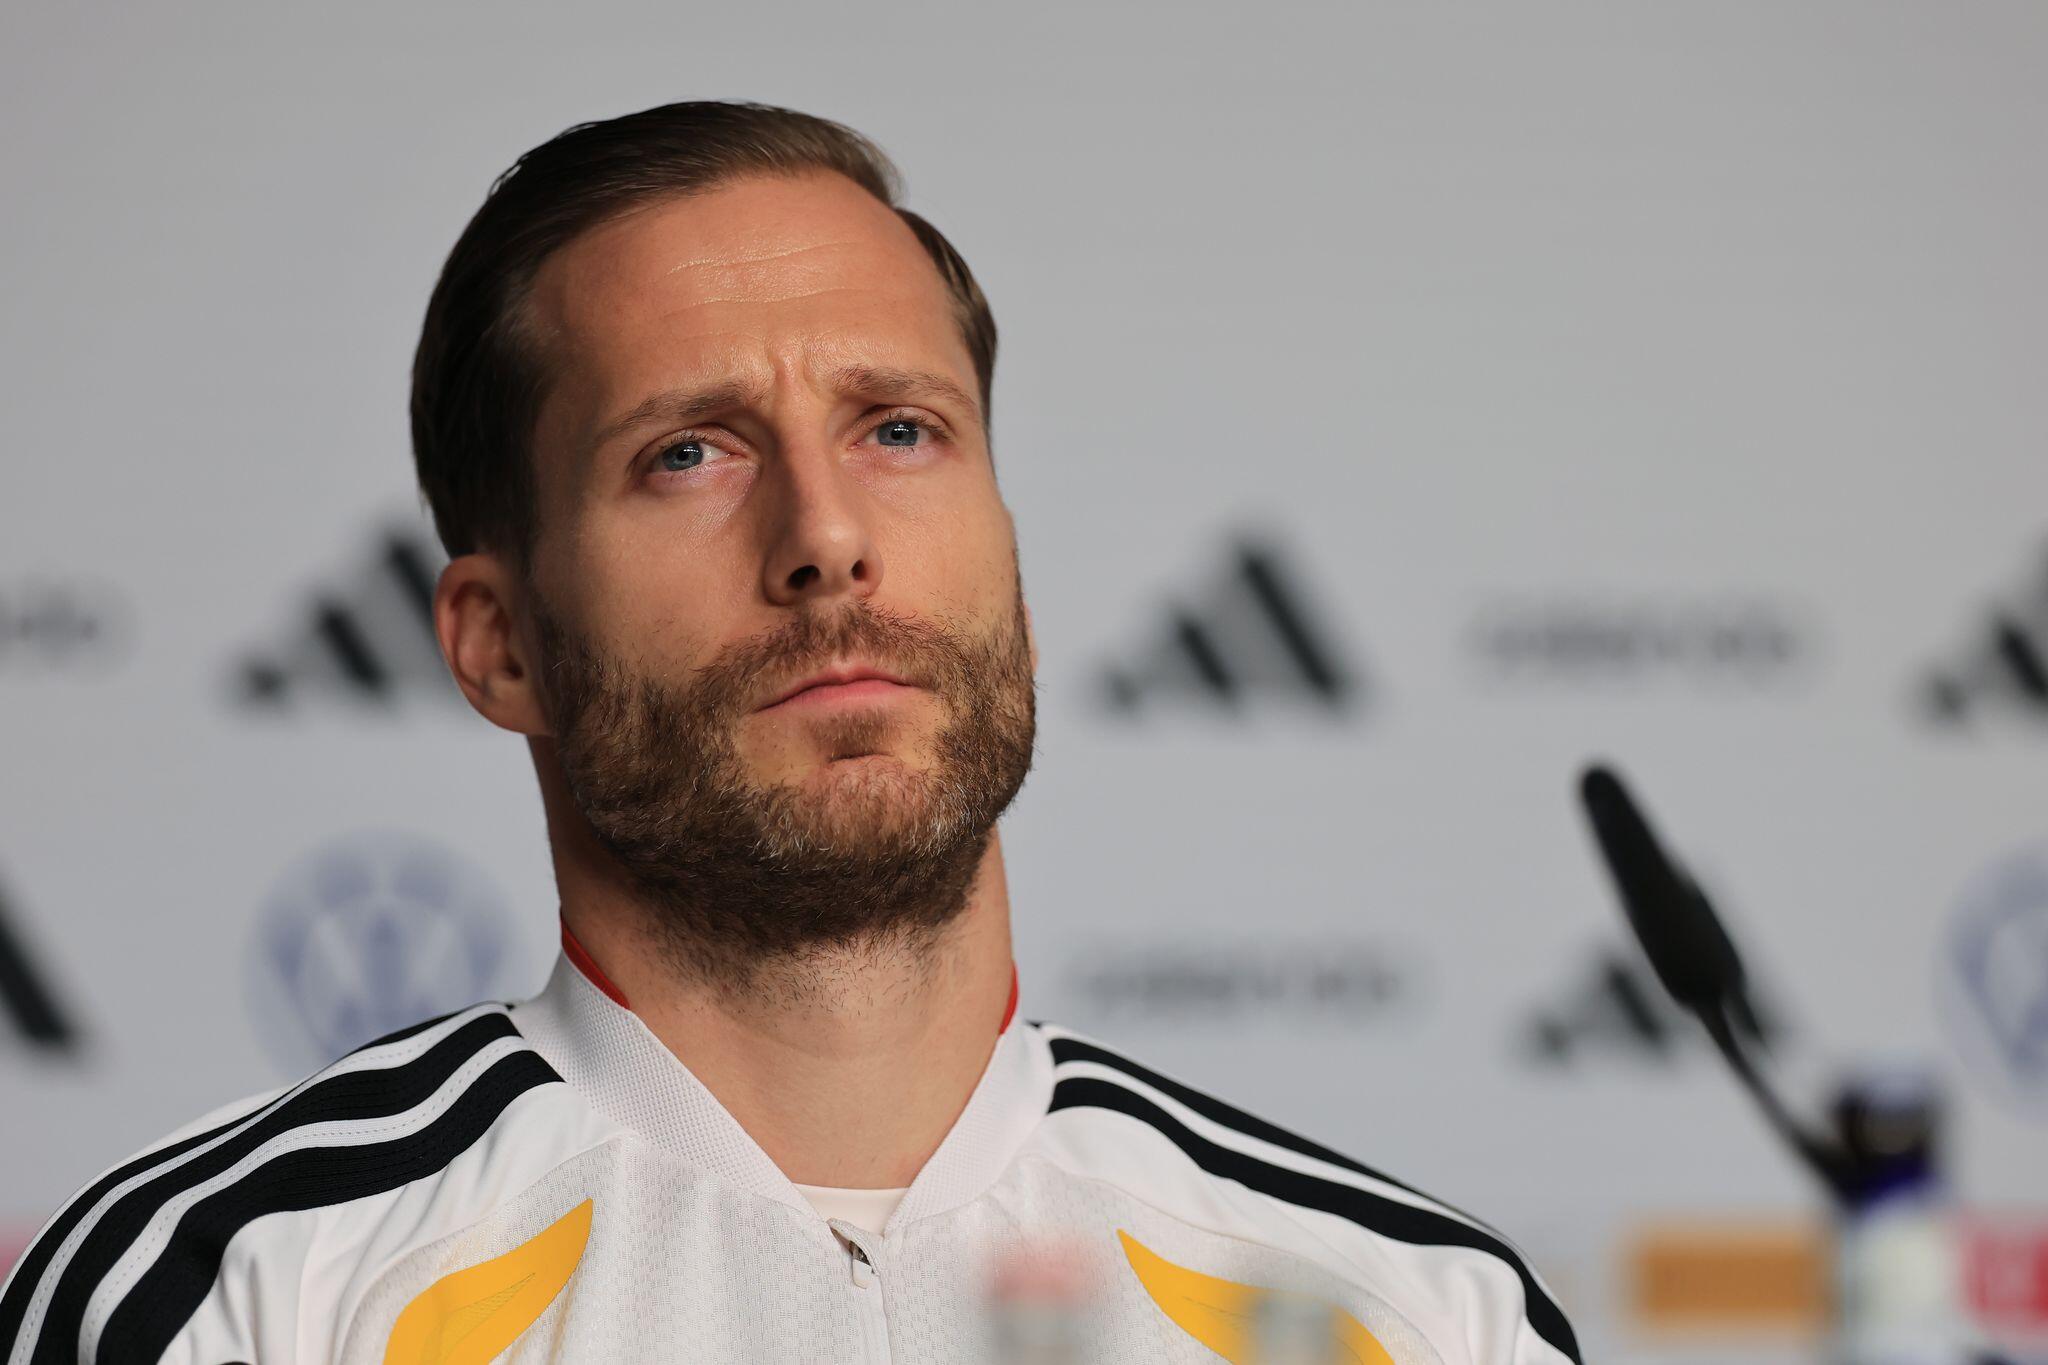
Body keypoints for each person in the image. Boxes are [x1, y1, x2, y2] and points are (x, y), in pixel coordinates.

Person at [0, 101, 1580, 1364]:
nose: (827, 535)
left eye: (898, 428)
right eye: (688, 452)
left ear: (1016, 582)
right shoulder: (241, 1291)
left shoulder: (1416, 1311)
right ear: (499, 643)